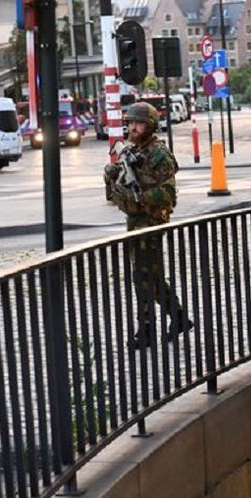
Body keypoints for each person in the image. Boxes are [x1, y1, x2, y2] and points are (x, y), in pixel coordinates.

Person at [104, 102, 193, 349]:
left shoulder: (157, 153)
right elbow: (116, 192)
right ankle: (177, 318)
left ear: (150, 125)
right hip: (136, 221)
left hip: (151, 221)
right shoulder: (133, 151)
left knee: (143, 277)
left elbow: (168, 193)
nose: (133, 127)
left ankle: (148, 329)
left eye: (138, 123)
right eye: (130, 122)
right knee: (148, 276)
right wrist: (112, 176)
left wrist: (140, 198)